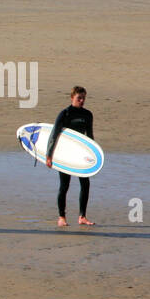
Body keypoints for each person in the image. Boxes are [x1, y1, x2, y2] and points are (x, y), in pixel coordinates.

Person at [47, 86, 96, 227]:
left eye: (83, 98)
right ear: (72, 97)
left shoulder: (88, 115)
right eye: (79, 98)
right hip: (66, 154)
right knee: (64, 186)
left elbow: (90, 137)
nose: (82, 101)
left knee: (85, 184)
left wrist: (93, 157)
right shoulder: (65, 114)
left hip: (81, 155)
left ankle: (82, 217)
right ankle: (61, 217)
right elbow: (54, 135)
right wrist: (49, 156)